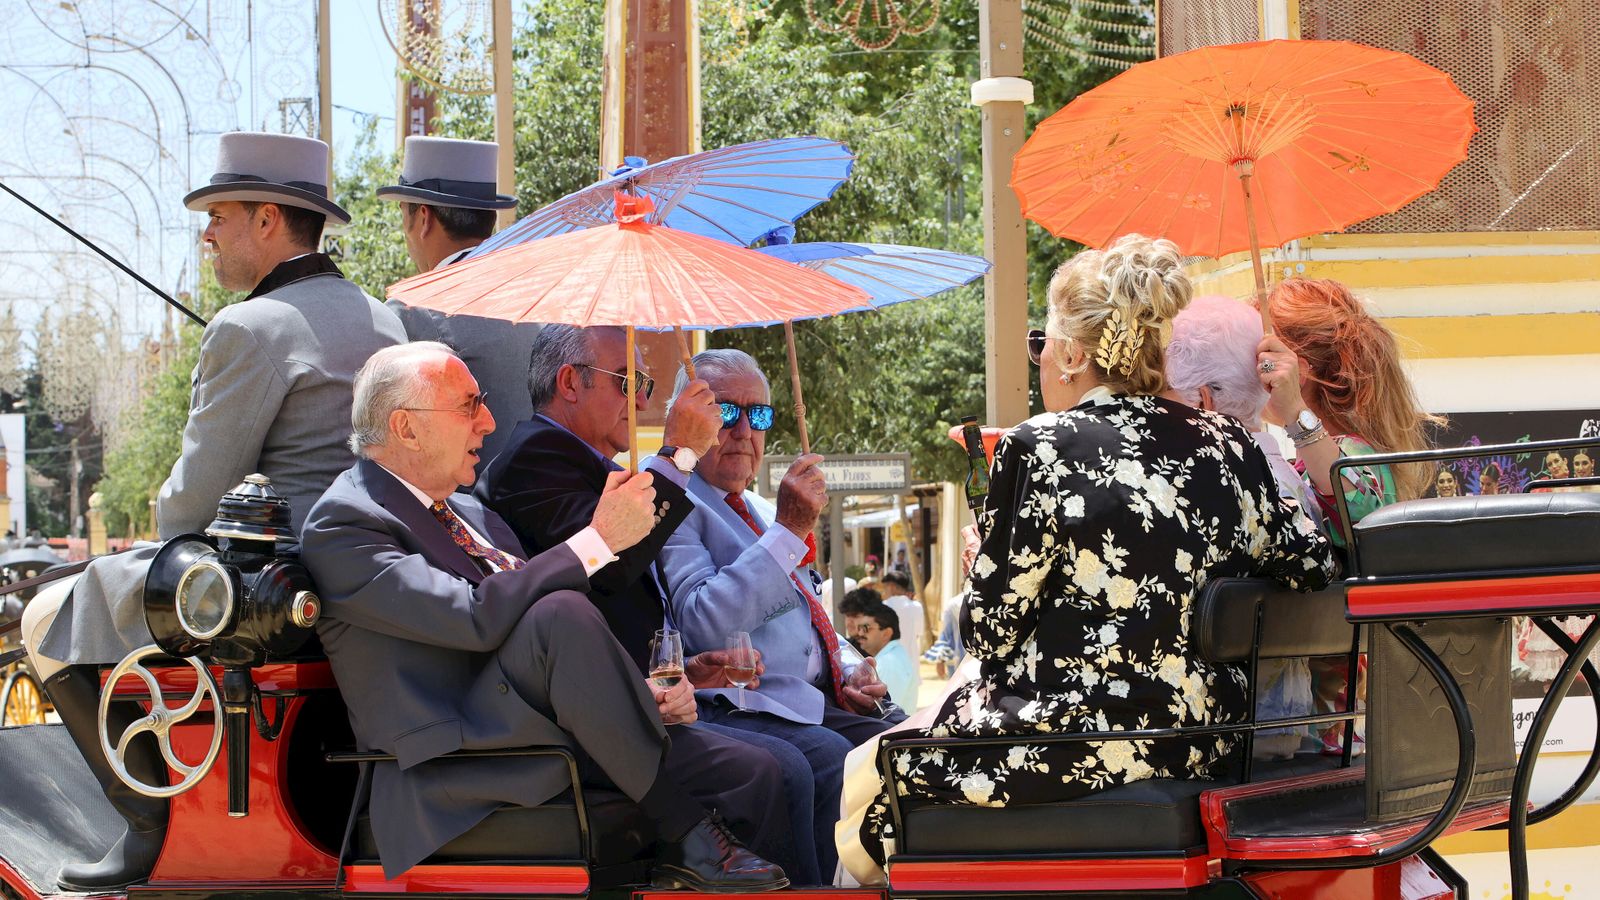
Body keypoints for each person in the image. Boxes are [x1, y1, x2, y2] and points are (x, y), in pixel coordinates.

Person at [840, 234, 1334, 884]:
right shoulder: (1232, 447)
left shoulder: (1040, 446)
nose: (1041, 358)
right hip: (1201, 745)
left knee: (865, 790)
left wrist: (986, 560)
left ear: (1073, 352)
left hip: (1062, 748)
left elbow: (989, 634)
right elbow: (1312, 564)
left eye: (1043, 344)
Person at [21, 131, 406, 891]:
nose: (206, 236)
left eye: (218, 218)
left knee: (43, 615)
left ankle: (147, 823)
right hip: (363, 570)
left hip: (265, 589)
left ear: (269, 220)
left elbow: (191, 506)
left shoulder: (248, 328)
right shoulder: (385, 320)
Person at [300, 342, 787, 892]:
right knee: (558, 610)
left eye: (482, 402)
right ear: (406, 428)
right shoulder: (345, 524)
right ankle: (689, 832)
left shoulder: (472, 511)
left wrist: (634, 688)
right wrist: (597, 541)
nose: (487, 421)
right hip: (462, 763)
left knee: (757, 773)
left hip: (549, 726)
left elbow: (547, 640)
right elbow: (476, 618)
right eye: (467, 406)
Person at [474, 325, 826, 882]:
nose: (641, 399)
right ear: (570, 382)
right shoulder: (533, 455)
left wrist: (686, 666)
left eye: (645, 382)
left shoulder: (599, 466)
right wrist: (680, 452)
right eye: (628, 380)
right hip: (590, 720)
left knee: (807, 761)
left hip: (660, 697)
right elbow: (607, 566)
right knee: (778, 768)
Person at [657, 349, 899, 878]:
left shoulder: (763, 507)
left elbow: (811, 611)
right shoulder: (675, 504)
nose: (746, 430)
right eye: (727, 412)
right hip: (737, 702)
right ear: (690, 413)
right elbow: (699, 620)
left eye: (760, 414)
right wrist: (790, 530)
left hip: (806, 696)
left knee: (903, 748)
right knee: (831, 758)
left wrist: (848, 665)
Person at [1256, 276, 1444, 753]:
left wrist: (1295, 410)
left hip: (1326, 727)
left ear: (1300, 368)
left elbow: (1351, 495)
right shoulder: (1314, 452)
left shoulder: (1353, 455)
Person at [1165, 293, 1323, 758]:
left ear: (1204, 400)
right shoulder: (1290, 476)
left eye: (1166, 395)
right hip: (1290, 717)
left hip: (1218, 730)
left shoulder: (1202, 485)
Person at [379, 136, 542, 471]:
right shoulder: (536, 297)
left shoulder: (416, 310)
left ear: (423, 218)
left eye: (403, 216)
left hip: (460, 512)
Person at [855, 604, 919, 712]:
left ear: (886, 633)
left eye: (866, 628)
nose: (860, 633)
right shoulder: (892, 656)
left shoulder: (889, 662)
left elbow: (886, 711)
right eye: (859, 628)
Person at [875, 570, 925, 659]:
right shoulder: (917, 606)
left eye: (885, 587)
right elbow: (918, 634)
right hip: (911, 661)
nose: (884, 591)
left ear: (892, 587)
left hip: (889, 659)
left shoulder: (883, 607)